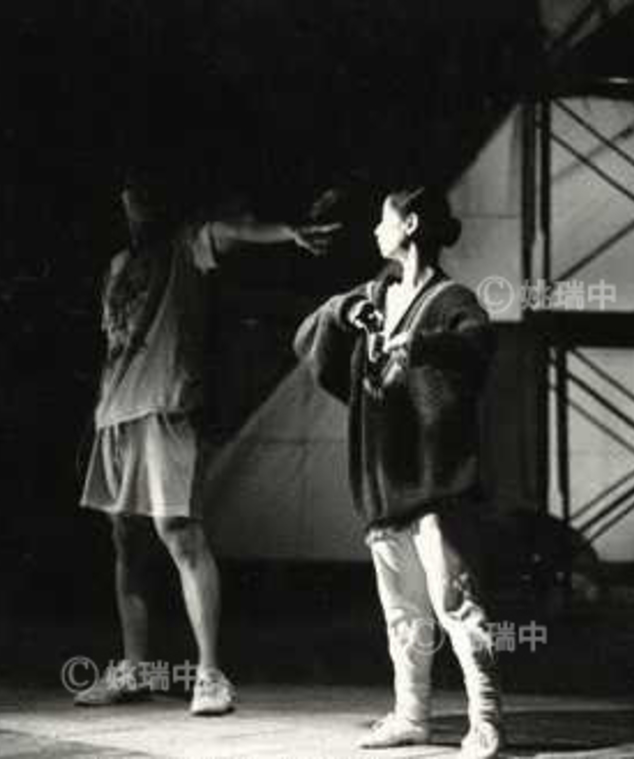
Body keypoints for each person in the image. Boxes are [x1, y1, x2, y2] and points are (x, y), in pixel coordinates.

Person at [75, 180, 337, 716]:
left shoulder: (187, 245)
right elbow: (113, 343)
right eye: (129, 192)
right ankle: (134, 667)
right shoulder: (118, 264)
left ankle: (211, 674)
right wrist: (97, 416)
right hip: (115, 415)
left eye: (145, 190)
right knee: (126, 542)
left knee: (179, 532)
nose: (136, 201)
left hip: (166, 406)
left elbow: (234, 230)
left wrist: (290, 231)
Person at [294, 187, 503, 758]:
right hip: (384, 476)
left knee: (455, 603)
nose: (374, 231)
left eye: (383, 221)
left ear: (409, 225)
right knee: (403, 614)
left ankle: (486, 718)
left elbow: (479, 344)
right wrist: (345, 311)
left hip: (434, 478)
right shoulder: (374, 294)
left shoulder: (450, 298)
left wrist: (423, 346)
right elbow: (310, 334)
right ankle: (412, 716)